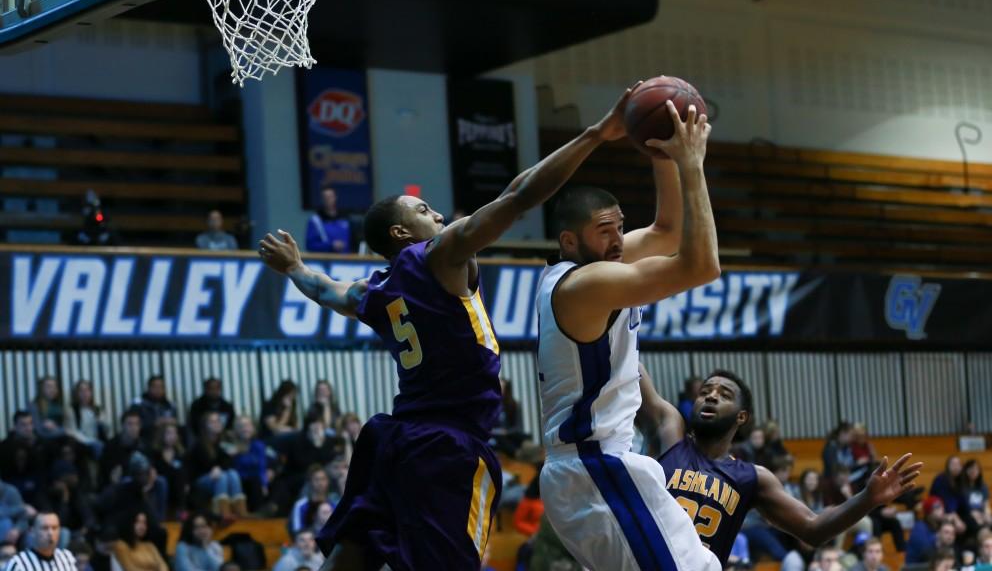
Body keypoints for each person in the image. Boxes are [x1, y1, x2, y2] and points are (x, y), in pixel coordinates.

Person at [258, 84, 640, 571]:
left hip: (392, 438)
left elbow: (323, 289)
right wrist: (594, 135)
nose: (437, 214)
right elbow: (520, 195)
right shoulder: (439, 254)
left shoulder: (372, 292)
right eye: (421, 211)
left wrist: (293, 266)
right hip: (448, 447)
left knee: (348, 559)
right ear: (400, 234)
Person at [535, 98, 722, 571]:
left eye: (620, 227)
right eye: (606, 231)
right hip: (592, 468)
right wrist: (691, 164)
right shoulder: (585, 284)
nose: (619, 241)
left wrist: (660, 152)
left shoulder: (600, 262)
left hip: (608, 463)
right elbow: (701, 265)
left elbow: (667, 229)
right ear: (570, 242)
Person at [637, 370, 920, 569]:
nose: (710, 397)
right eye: (705, 392)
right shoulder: (669, 433)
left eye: (723, 394)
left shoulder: (752, 478)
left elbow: (813, 529)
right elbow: (631, 370)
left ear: (742, 416)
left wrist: (867, 499)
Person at [186, 412, 247, 519]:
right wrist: (219, 467)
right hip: (200, 478)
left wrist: (221, 466)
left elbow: (227, 463)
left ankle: (241, 512)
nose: (217, 424)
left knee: (233, 473)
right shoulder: (199, 444)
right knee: (222, 477)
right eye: (212, 421)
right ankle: (222, 514)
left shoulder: (223, 441)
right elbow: (206, 466)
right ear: (205, 425)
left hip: (218, 475)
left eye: (218, 421)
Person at [3, 512, 75, 571]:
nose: (50, 533)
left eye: (54, 528)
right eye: (45, 528)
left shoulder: (66, 557)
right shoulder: (18, 563)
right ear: (32, 532)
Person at [64, 380, 108, 459]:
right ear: (77, 394)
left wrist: (102, 422)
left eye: (87, 390)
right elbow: (72, 432)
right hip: (80, 442)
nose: (85, 393)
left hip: (97, 441)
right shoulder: (72, 410)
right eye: (81, 391)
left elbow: (107, 429)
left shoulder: (97, 409)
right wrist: (91, 442)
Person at [131, 376, 178, 441]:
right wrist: (154, 423)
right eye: (155, 387)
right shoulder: (138, 404)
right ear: (149, 388)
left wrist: (173, 422)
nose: (158, 390)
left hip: (165, 442)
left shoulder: (170, 406)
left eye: (161, 387)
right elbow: (133, 425)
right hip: (144, 441)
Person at [306, 187, 352, 253]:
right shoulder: (315, 221)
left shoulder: (345, 219)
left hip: (346, 261)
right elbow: (310, 246)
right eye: (325, 197)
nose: (328, 200)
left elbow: (352, 242)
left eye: (330, 197)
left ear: (335, 197)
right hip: (325, 261)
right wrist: (331, 245)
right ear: (322, 200)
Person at [959, 459, 992, 534]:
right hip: (967, 515)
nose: (974, 471)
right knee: (980, 526)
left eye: (976, 469)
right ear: (966, 471)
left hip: (982, 514)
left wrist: (987, 515)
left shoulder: (983, 486)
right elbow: (962, 507)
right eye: (971, 469)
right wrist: (973, 514)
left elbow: (986, 505)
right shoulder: (961, 487)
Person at [29, 376, 68, 441]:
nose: (52, 389)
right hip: (44, 439)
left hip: (63, 437)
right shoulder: (34, 405)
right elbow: (38, 430)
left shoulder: (61, 404)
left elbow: (68, 425)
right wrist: (64, 431)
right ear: (41, 389)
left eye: (55, 387)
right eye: (48, 387)